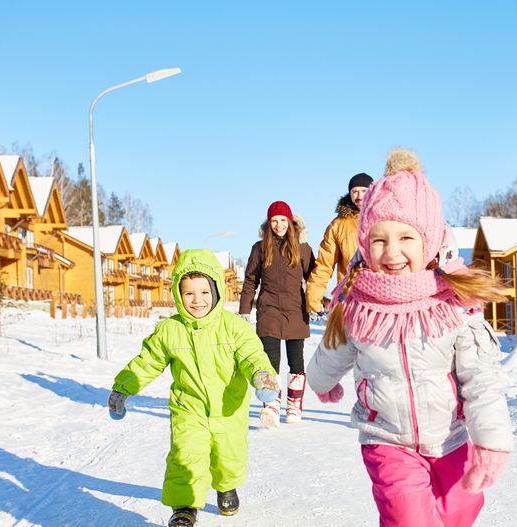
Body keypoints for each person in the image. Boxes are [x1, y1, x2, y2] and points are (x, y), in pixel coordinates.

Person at [307, 149, 513, 527]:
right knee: (409, 518)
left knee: (462, 508)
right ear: (365, 246)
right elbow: (331, 349)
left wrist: (491, 441)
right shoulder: (359, 305)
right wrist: (321, 382)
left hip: (450, 438)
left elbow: (481, 380)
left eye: (406, 237)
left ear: (429, 241)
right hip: (386, 440)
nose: (392, 251)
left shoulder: (453, 306)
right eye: (379, 240)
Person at [107, 249, 278, 527]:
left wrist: (262, 376)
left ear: (217, 292)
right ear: (178, 294)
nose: (197, 300)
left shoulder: (233, 327)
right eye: (189, 294)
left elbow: (252, 355)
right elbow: (147, 361)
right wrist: (122, 388)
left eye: (204, 292)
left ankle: (226, 486)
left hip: (228, 409)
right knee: (186, 457)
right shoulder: (170, 330)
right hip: (189, 409)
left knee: (229, 456)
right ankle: (185, 507)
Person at [239, 201, 316, 428]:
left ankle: (294, 406)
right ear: (268, 223)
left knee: (296, 361)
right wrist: (245, 310)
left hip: (295, 310)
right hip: (269, 310)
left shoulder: (303, 248)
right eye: (274, 221)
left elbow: (314, 278)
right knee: (270, 362)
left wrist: (317, 302)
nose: (279, 225)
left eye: (283, 220)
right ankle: (271, 406)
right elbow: (251, 280)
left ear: (290, 222)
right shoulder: (260, 247)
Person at [304, 172, 373, 316]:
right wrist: (313, 298)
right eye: (355, 192)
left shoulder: (386, 219)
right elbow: (324, 265)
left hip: (382, 296)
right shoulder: (338, 225)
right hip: (352, 298)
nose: (359, 196)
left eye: (364, 191)